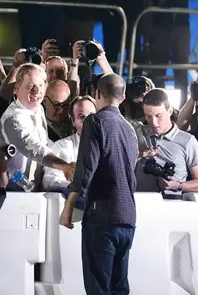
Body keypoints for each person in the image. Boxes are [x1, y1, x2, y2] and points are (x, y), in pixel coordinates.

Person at [61, 73, 138, 295]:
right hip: (128, 217)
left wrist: (68, 206)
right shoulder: (130, 129)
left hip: (102, 216)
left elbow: (86, 168)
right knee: (119, 287)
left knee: (99, 288)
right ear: (122, 97)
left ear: (97, 94)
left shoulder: (94, 121)